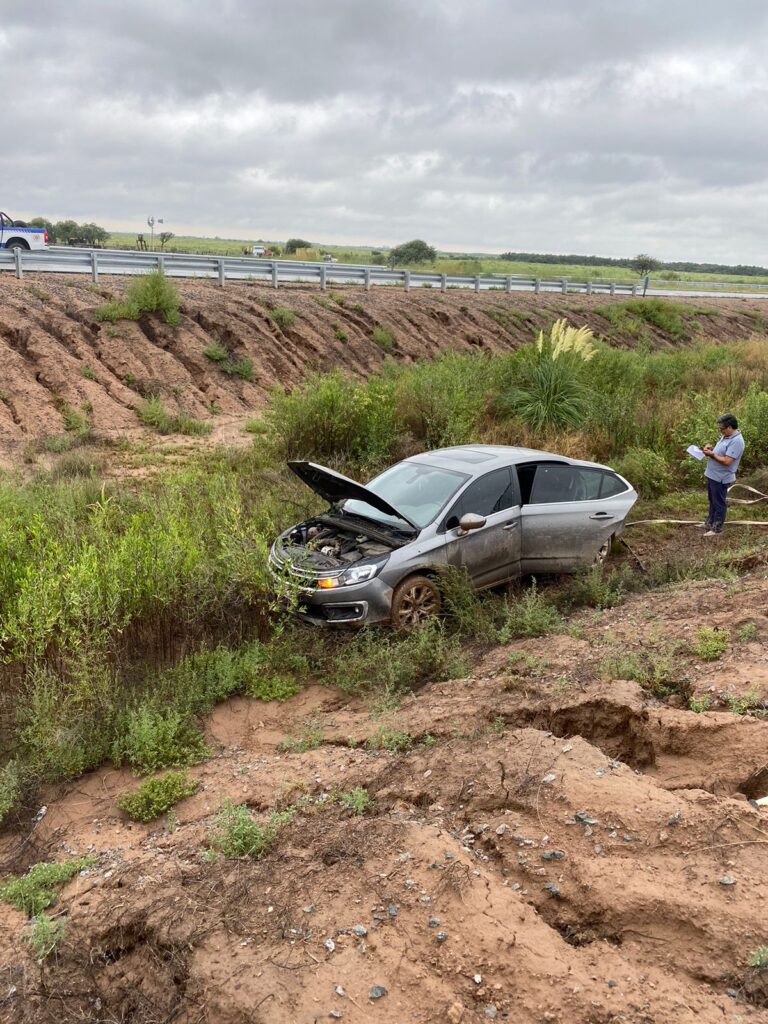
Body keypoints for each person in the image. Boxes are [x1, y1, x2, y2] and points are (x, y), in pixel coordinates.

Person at [701, 413, 745, 536]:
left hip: (721, 477)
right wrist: (712, 449)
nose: (720, 431)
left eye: (722, 429)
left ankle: (717, 528)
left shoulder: (737, 441)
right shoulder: (727, 436)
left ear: (730, 427)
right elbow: (723, 451)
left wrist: (712, 454)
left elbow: (727, 461)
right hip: (712, 474)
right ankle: (709, 523)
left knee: (719, 503)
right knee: (712, 500)